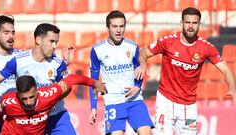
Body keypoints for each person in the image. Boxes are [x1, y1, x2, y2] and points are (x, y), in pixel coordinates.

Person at [135, 7, 236, 135]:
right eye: (188, 22)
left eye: (194, 23)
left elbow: (226, 69)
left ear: (199, 25)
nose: (191, 26)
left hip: (189, 106)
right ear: (182, 23)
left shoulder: (205, 48)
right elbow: (144, 52)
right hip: (166, 101)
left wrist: (232, 88)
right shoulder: (168, 41)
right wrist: (143, 65)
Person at [0, 23, 76, 134]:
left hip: (55, 115)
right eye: (51, 41)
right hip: (29, 119)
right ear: (38, 40)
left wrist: (51, 101)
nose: (55, 46)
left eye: (56, 42)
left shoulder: (58, 63)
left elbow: (67, 87)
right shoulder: (18, 61)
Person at [89, 10, 154, 135]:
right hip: (113, 101)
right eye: (114, 26)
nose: (118, 30)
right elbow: (94, 82)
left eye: (121, 26)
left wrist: (137, 86)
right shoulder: (98, 50)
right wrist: (93, 107)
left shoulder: (132, 46)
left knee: (146, 133)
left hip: (134, 100)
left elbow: (138, 70)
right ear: (107, 27)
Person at [0, 74, 106, 135]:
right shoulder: (8, 101)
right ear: (18, 95)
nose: (28, 102)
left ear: (37, 92)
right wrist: (0, 125)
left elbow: (72, 79)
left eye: (31, 97)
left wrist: (95, 83)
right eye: (24, 99)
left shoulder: (48, 95)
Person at [0, 15, 22, 134]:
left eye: (13, 32)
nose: (11, 36)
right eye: (6, 32)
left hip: (15, 114)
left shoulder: (21, 56)